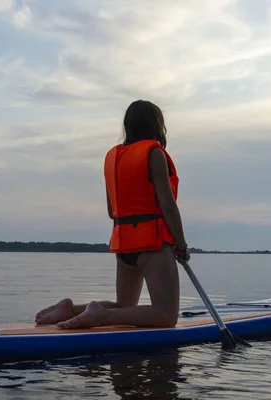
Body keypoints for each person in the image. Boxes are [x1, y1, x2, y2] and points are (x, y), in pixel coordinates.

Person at [35, 99, 190, 329]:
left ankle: (72, 310)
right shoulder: (154, 154)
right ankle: (99, 315)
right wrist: (182, 243)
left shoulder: (113, 157)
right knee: (166, 315)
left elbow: (112, 211)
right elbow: (167, 205)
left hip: (124, 246)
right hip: (153, 245)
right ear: (157, 125)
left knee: (124, 305)